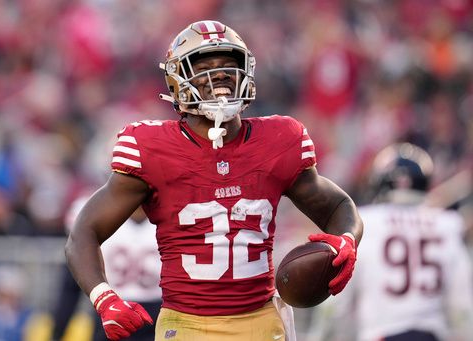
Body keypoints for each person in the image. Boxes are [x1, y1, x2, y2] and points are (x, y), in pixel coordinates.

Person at [65, 20, 364, 341]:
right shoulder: (150, 147)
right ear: (177, 79)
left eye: (227, 65)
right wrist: (103, 297)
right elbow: (83, 232)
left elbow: (338, 206)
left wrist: (346, 240)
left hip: (262, 321)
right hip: (187, 324)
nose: (218, 74)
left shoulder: (280, 139)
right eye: (203, 66)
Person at [308, 143, 473, 341]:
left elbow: (337, 303)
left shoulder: (364, 222)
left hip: (383, 335)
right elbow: (461, 305)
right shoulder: (446, 224)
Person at [51, 196, 161, 341]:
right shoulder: (170, 214)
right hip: (112, 309)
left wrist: (58, 332)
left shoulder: (96, 212)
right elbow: (71, 284)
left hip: (121, 309)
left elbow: (71, 288)